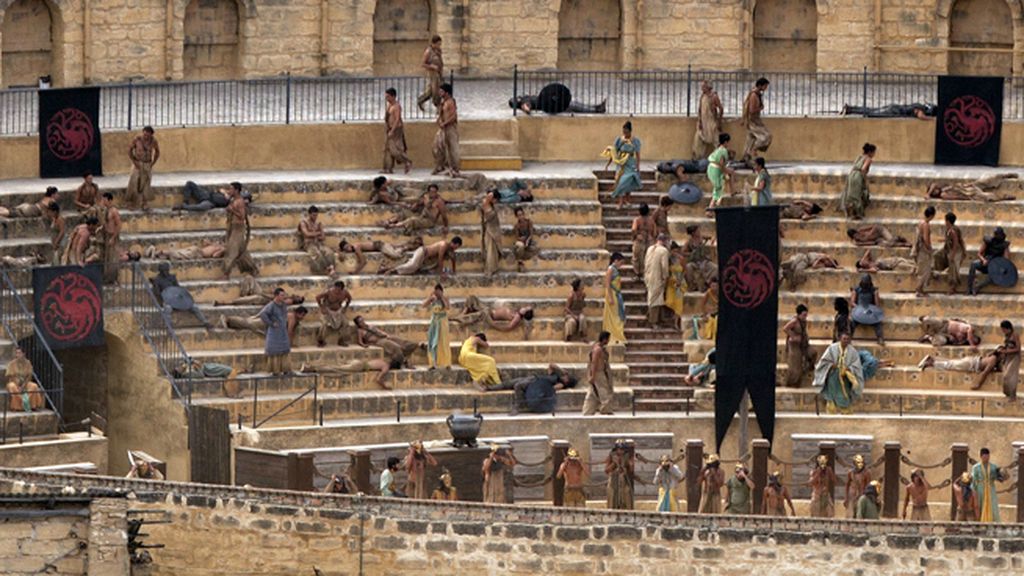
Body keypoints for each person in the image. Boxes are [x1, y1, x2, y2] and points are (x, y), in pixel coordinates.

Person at [481, 364, 576, 415]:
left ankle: (517, 407)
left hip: (534, 385)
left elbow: (551, 389)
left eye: (567, 377)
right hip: (533, 378)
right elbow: (551, 365)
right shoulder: (556, 375)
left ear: (567, 382)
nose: (565, 377)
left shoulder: (560, 384)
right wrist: (561, 371)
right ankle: (488, 388)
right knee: (508, 383)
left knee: (518, 386)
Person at [813, 332, 864, 414]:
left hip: (845, 378)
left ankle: (846, 414)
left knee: (844, 397)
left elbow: (856, 365)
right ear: (840, 339)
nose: (845, 341)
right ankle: (831, 414)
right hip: (833, 376)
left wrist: (848, 369)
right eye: (844, 339)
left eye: (847, 339)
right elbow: (824, 361)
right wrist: (831, 365)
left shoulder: (853, 351)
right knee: (831, 398)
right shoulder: (832, 348)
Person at [151, 262, 212, 330]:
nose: (166, 272)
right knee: (168, 308)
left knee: (194, 307)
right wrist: (165, 298)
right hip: (166, 299)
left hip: (176, 298)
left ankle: (205, 322)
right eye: (164, 271)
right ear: (161, 271)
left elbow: (178, 288)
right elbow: (157, 292)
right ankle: (169, 325)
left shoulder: (172, 277)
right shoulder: (157, 280)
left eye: (167, 270)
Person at [299, 355, 406, 390]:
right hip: (359, 366)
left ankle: (311, 367)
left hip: (358, 361)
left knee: (336, 368)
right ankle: (310, 368)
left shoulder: (383, 361)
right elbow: (378, 379)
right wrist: (385, 386)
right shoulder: (386, 367)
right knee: (335, 369)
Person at [382, 185, 449, 236]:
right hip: (421, 216)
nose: (433, 194)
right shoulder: (426, 197)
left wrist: (446, 226)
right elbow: (419, 203)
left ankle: (393, 226)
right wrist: (414, 206)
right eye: (431, 192)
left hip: (429, 221)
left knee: (412, 220)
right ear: (428, 192)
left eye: (435, 192)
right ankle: (389, 221)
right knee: (404, 213)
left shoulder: (440, 202)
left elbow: (444, 216)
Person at [604, 121, 642, 209]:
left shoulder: (635, 141)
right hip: (621, 164)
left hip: (630, 163)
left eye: (626, 132)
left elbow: (638, 154)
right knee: (621, 181)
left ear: (630, 131)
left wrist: (638, 166)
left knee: (628, 181)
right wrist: (608, 164)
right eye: (624, 131)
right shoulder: (619, 140)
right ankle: (620, 202)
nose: (625, 133)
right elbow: (614, 152)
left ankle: (627, 200)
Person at [222, 184, 257, 279]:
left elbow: (242, 216)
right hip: (232, 227)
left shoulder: (240, 202)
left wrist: (232, 210)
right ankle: (253, 269)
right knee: (242, 251)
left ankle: (226, 273)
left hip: (238, 229)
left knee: (231, 250)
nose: (229, 191)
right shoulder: (234, 200)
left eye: (231, 189)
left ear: (236, 190)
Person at [381, 237, 461, 277]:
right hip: (422, 252)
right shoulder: (443, 245)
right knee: (412, 266)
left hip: (424, 257)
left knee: (413, 269)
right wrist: (441, 273)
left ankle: (386, 268)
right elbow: (440, 259)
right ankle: (392, 270)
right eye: (456, 246)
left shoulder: (450, 249)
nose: (456, 248)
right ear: (453, 243)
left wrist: (454, 271)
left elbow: (453, 259)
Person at [354, 316, 424, 360]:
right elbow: (360, 341)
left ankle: (418, 344)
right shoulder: (360, 331)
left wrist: (386, 335)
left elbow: (379, 331)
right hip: (378, 341)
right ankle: (404, 360)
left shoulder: (370, 326)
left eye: (362, 320)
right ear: (358, 324)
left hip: (383, 337)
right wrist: (364, 345)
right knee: (396, 347)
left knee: (401, 341)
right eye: (360, 322)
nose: (363, 322)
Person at [968, 226, 1011, 296]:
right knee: (973, 265)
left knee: (995, 276)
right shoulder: (988, 241)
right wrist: (983, 260)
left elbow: (1005, 259)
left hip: (995, 265)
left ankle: (977, 287)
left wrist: (999, 265)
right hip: (986, 263)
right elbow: (979, 253)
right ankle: (969, 288)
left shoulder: (1004, 245)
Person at [258, 288, 292, 375]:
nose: (283, 297)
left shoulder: (283, 305)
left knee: (285, 350)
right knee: (274, 351)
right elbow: (263, 314)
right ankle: (275, 371)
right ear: (276, 296)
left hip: (283, 330)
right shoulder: (271, 305)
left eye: (284, 295)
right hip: (274, 332)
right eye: (282, 295)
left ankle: (285, 369)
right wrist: (271, 323)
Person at [338, 237, 417, 274]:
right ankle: (404, 246)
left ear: (349, 244)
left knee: (396, 255)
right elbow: (338, 250)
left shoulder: (356, 247)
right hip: (378, 246)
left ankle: (405, 248)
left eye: (347, 247)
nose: (348, 249)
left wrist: (355, 272)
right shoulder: (352, 249)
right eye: (346, 249)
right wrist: (340, 253)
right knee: (394, 249)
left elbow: (363, 261)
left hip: (380, 245)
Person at [126, 126, 160, 211]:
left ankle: (145, 204)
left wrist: (153, 163)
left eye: (147, 135)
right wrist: (134, 161)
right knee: (134, 182)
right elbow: (129, 150)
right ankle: (131, 203)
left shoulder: (153, 141)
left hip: (147, 163)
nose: (145, 136)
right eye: (144, 134)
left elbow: (157, 152)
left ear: (151, 135)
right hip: (138, 163)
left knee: (146, 184)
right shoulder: (137, 140)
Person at [841, 143, 876, 220]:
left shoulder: (859, 157)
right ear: (870, 152)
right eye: (874, 152)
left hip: (852, 175)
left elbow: (854, 167)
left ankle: (850, 213)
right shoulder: (868, 159)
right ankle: (857, 213)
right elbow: (863, 169)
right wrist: (865, 180)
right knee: (858, 195)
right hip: (858, 176)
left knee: (851, 194)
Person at [298, 206, 336, 276]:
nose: (315, 217)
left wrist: (314, 235)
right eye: (313, 215)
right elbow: (306, 234)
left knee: (329, 252)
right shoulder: (303, 222)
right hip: (308, 244)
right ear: (309, 214)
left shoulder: (318, 223)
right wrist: (318, 233)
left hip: (318, 243)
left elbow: (323, 237)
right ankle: (326, 270)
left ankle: (332, 269)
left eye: (316, 215)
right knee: (317, 254)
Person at [926, 173, 1019, 202]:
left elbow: (933, 184)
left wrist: (928, 194)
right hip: (969, 193)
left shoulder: (942, 187)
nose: (935, 190)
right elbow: (956, 197)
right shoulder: (943, 195)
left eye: (933, 190)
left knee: (987, 180)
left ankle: (1005, 176)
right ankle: (1004, 197)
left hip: (969, 186)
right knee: (987, 197)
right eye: (934, 192)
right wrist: (967, 198)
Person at [432, 83, 460, 178]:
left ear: (447, 93)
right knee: (437, 147)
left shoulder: (451, 102)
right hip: (443, 128)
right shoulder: (443, 102)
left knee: (452, 148)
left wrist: (444, 123)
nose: (439, 93)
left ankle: (454, 168)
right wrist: (439, 120)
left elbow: (453, 116)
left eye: (441, 91)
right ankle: (440, 166)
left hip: (450, 128)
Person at [741, 77, 772, 164]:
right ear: (760, 85)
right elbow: (752, 110)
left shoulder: (757, 94)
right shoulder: (754, 95)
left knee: (751, 139)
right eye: (765, 86)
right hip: (753, 121)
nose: (766, 88)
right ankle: (753, 150)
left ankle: (745, 157)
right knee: (766, 136)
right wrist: (760, 108)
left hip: (755, 120)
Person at [582, 331, 614, 416]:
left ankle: (588, 411)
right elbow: (594, 363)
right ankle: (606, 410)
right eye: (608, 339)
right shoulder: (598, 349)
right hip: (598, 373)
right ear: (604, 339)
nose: (608, 341)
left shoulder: (597, 346)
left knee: (593, 393)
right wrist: (593, 376)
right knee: (605, 393)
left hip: (599, 373)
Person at [783, 304, 815, 387]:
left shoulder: (804, 321)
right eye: (804, 315)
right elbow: (785, 328)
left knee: (813, 353)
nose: (805, 317)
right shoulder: (794, 321)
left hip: (803, 343)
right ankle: (793, 384)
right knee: (796, 366)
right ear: (799, 314)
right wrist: (793, 336)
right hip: (795, 345)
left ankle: (807, 368)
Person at [973, 447, 1007, 522]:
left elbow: (997, 477)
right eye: (984, 457)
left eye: (988, 457)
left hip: (991, 488)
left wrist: (1001, 475)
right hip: (980, 488)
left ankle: (994, 521)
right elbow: (974, 480)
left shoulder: (993, 467)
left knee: (993, 505)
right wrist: (974, 491)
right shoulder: (976, 468)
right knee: (980, 504)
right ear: (981, 456)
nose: (986, 459)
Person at [315, 281, 354, 347]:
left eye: (338, 289)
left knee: (346, 323)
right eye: (335, 288)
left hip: (338, 311)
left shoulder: (345, 293)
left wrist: (345, 307)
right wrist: (322, 307)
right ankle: (321, 340)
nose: (336, 291)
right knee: (324, 324)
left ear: (341, 289)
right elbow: (317, 297)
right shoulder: (328, 292)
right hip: (328, 310)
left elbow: (349, 299)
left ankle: (341, 340)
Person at [644, 234, 671, 329]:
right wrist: (665, 277)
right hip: (657, 277)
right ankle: (653, 321)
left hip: (648, 276)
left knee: (654, 298)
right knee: (655, 300)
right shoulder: (664, 251)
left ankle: (657, 319)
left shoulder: (649, 248)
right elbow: (664, 267)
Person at [383, 87, 412, 174]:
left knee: (395, 149)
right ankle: (388, 168)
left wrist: (392, 130)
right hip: (389, 128)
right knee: (388, 149)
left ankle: (407, 161)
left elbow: (397, 119)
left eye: (388, 96)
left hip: (395, 130)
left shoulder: (396, 106)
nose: (386, 98)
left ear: (393, 96)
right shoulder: (389, 106)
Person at [937, 212, 967, 294]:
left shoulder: (953, 231)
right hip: (951, 250)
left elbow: (956, 243)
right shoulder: (950, 229)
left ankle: (953, 288)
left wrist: (953, 255)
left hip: (956, 252)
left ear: (948, 221)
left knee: (953, 270)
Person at [693, 80, 723, 159]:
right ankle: (698, 158)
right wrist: (700, 121)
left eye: (703, 87)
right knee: (700, 140)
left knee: (716, 140)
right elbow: (700, 110)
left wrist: (719, 121)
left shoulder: (714, 97)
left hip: (712, 122)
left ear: (708, 88)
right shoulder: (702, 96)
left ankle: (718, 158)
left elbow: (721, 108)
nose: (702, 88)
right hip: (703, 122)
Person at [851, 274, 884, 345]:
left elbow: (877, 305)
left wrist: (871, 309)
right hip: (859, 311)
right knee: (852, 322)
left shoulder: (874, 290)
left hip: (870, 312)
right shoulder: (856, 290)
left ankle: (880, 338)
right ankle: (849, 338)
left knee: (877, 322)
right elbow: (852, 303)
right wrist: (859, 308)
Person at [423, 284, 451, 369]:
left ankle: (447, 363)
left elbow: (447, 307)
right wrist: (430, 299)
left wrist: (442, 298)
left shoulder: (445, 298)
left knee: (444, 343)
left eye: (439, 292)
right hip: (434, 323)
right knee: (432, 343)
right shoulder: (432, 298)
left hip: (443, 323)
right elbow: (423, 305)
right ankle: (432, 363)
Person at [683, 225, 716, 293]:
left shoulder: (701, 237)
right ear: (693, 233)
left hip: (704, 260)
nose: (699, 231)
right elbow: (683, 252)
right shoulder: (689, 241)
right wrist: (692, 253)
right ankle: (692, 286)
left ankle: (708, 283)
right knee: (688, 267)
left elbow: (710, 237)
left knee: (715, 268)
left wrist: (712, 239)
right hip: (695, 262)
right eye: (697, 230)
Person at [911, 206, 936, 297]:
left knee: (922, 270)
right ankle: (919, 290)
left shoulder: (920, 223)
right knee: (925, 271)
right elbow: (926, 239)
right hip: (924, 251)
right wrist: (930, 249)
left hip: (920, 250)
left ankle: (921, 289)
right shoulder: (925, 225)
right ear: (932, 215)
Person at [707, 133, 734, 212]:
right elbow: (721, 164)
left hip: (711, 169)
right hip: (716, 170)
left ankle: (732, 191)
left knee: (727, 177)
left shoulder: (718, 149)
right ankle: (710, 209)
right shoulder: (723, 151)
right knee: (718, 188)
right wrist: (726, 171)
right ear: (725, 142)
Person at [602, 253, 627, 344]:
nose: (621, 265)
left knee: (617, 315)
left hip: (616, 294)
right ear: (615, 261)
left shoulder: (615, 269)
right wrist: (610, 297)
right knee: (614, 316)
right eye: (621, 262)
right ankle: (614, 334)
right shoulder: (610, 269)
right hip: (612, 294)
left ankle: (618, 334)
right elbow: (607, 284)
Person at [508, 93, 607, 115]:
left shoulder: (524, 98)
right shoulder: (524, 102)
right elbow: (526, 107)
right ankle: (597, 110)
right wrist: (526, 109)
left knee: (575, 104)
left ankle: (595, 107)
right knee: (574, 106)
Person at [605, 440, 634, 510]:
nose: (621, 451)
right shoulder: (611, 456)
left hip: (624, 481)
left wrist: (630, 466)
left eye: (622, 449)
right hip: (613, 481)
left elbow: (631, 471)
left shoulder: (627, 456)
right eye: (619, 449)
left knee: (627, 494)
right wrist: (614, 463)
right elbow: (606, 470)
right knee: (612, 497)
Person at [417, 35, 444, 111]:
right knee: (436, 90)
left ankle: (420, 100)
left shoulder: (438, 50)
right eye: (438, 44)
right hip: (432, 74)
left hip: (438, 73)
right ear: (433, 43)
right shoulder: (428, 52)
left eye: (440, 44)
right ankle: (438, 106)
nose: (439, 46)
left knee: (431, 91)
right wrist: (432, 67)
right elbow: (423, 64)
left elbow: (440, 61)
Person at [631, 203, 656, 280]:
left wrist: (634, 237)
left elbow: (634, 230)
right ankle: (646, 275)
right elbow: (655, 232)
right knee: (648, 258)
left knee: (637, 258)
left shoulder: (637, 220)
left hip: (640, 240)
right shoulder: (651, 220)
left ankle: (638, 274)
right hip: (649, 240)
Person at [480, 189, 502, 277]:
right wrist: (491, 194)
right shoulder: (486, 203)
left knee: (494, 250)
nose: (496, 202)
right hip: (489, 230)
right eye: (496, 200)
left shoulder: (489, 203)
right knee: (490, 250)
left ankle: (494, 268)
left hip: (493, 228)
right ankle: (490, 269)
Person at [996, 320, 1021, 399]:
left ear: (1008, 328)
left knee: (1011, 376)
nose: (1003, 331)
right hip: (1007, 358)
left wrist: (1006, 351)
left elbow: (1018, 349)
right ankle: (1008, 393)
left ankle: (1013, 395)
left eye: (1004, 329)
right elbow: (1006, 346)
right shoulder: (1006, 336)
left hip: (1015, 358)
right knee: (1005, 376)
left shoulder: (1015, 335)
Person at [844, 454, 872, 519]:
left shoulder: (867, 473)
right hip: (852, 496)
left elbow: (868, 486)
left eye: (861, 462)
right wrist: (846, 498)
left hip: (862, 496)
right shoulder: (850, 473)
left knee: (860, 515)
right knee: (850, 515)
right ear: (855, 463)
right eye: (858, 462)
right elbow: (847, 485)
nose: (860, 464)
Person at [665, 242, 685, 329]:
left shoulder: (681, 259)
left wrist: (680, 281)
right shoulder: (668, 260)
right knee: (670, 301)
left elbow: (684, 270)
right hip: (671, 283)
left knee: (678, 303)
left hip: (679, 284)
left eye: (677, 251)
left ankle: (676, 323)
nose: (675, 253)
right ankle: (672, 318)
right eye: (674, 251)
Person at [512, 207, 538, 273]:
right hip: (520, 242)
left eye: (521, 214)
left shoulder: (529, 222)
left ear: (524, 214)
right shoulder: (516, 226)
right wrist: (521, 239)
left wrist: (527, 240)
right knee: (521, 246)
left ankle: (519, 260)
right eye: (519, 215)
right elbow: (517, 237)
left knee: (535, 249)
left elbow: (531, 234)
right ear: (516, 216)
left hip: (528, 240)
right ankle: (520, 261)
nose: (521, 217)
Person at [154, 240, 227, 261]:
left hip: (197, 250)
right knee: (179, 254)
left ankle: (158, 253)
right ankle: (161, 252)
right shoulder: (218, 247)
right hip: (198, 252)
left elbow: (214, 255)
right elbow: (214, 256)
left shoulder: (217, 246)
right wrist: (222, 250)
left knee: (178, 252)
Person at [842, 102, 935, 119]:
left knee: (871, 110)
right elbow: (920, 115)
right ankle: (850, 109)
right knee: (871, 113)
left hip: (894, 107)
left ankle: (850, 109)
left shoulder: (919, 104)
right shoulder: (921, 108)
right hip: (893, 111)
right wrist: (931, 119)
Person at [564, 278, 587, 342]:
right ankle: (568, 336)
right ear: (578, 287)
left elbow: (582, 305)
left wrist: (580, 313)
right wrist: (574, 316)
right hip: (571, 313)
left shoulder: (583, 294)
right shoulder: (571, 296)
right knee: (572, 322)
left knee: (582, 318)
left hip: (579, 313)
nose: (583, 285)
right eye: (581, 284)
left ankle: (583, 336)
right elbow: (566, 308)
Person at [846, 224, 910, 248]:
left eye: (856, 234)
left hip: (880, 230)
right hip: (877, 239)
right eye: (854, 236)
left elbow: (874, 226)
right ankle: (904, 244)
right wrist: (874, 242)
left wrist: (870, 233)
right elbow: (868, 243)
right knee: (887, 245)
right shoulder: (858, 242)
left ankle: (900, 238)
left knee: (890, 239)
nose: (856, 236)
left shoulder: (861, 230)